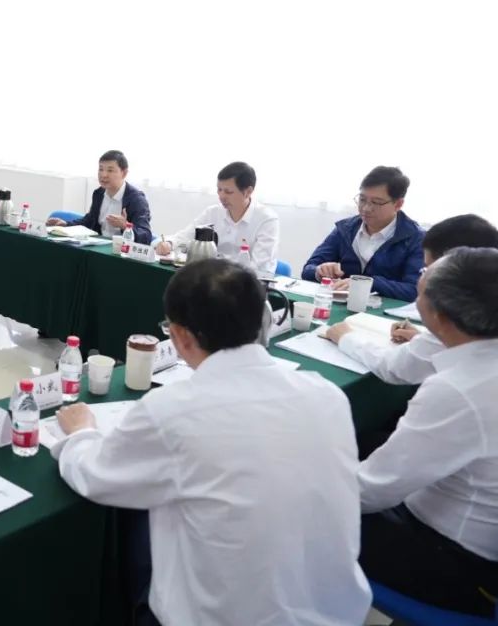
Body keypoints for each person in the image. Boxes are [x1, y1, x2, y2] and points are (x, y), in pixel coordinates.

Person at [52, 258, 370, 626]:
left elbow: (96, 477)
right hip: (337, 614)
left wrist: (81, 433)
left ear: (179, 336)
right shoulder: (327, 395)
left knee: (136, 525)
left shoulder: (173, 409)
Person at [357, 246, 498, 616]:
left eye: (423, 280)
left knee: (297, 506)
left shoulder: (460, 389)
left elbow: (372, 491)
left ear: (439, 315)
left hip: (461, 565)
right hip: (473, 537)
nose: (419, 277)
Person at [325, 214, 498, 385]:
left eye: (428, 270)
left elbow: (394, 368)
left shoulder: (457, 321)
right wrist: (424, 338)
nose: (424, 278)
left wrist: (345, 337)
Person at [302, 166, 424, 301]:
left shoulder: (416, 239)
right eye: (362, 199)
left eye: (376, 202)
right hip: (339, 305)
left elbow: (415, 290)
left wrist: (366, 284)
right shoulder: (346, 229)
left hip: (381, 311)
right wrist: (320, 271)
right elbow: (308, 269)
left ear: (398, 204)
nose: (366, 208)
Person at [155, 161, 280, 273]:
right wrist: (169, 243)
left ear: (248, 191)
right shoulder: (213, 212)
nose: (221, 196)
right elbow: (186, 235)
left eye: (228, 192)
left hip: (245, 284)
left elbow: (260, 267)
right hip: (213, 280)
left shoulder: (267, 220)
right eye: (219, 190)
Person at [47, 150, 151, 241]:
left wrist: (125, 226)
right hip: (98, 246)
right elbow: (89, 221)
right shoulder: (99, 194)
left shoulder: (136, 200)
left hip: (122, 251)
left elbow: (146, 236)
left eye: (110, 170)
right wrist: (66, 224)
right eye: (101, 169)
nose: (103, 175)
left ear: (124, 173)